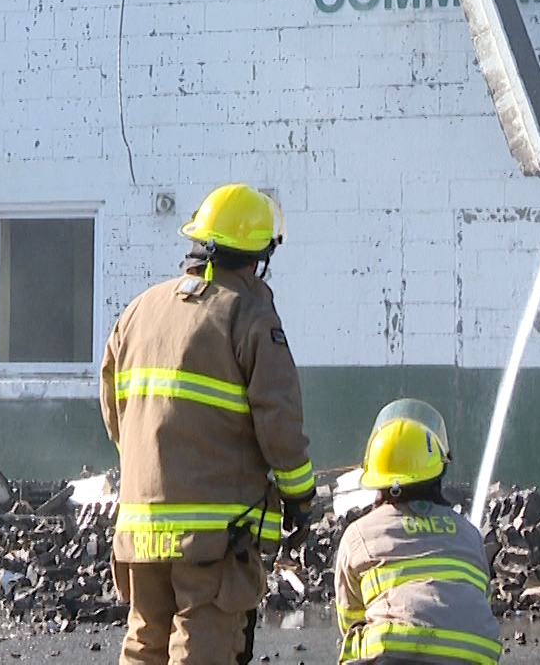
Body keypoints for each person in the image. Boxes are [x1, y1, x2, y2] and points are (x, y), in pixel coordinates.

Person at [101, 183, 317, 665]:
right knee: (205, 646)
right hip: (216, 535)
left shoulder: (137, 312)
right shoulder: (251, 317)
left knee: (145, 643)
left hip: (141, 528)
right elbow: (279, 426)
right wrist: (300, 498)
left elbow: (117, 418)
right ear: (256, 257)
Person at [334, 399, 501, 665]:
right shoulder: (469, 534)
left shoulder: (359, 535)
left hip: (395, 653)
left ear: (379, 483)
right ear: (437, 473)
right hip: (475, 653)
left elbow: (349, 619)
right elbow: (480, 598)